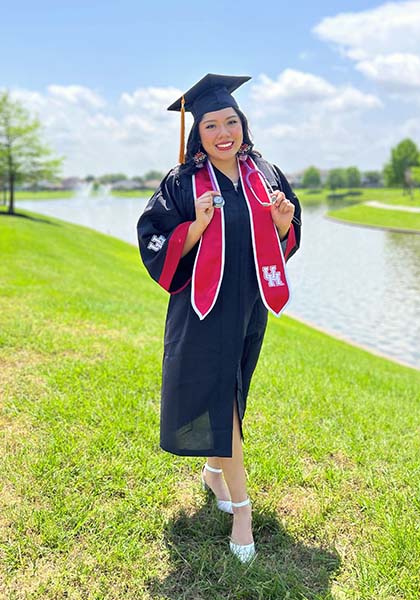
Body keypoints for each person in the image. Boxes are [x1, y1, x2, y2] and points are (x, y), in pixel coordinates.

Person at [137, 73, 302, 563]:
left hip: (250, 303)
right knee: (220, 395)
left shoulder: (265, 172)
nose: (223, 132)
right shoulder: (183, 181)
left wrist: (284, 223)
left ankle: (214, 473)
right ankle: (243, 512)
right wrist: (196, 226)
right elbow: (153, 238)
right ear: (199, 133)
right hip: (201, 308)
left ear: (242, 125)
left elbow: (285, 238)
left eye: (231, 121)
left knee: (234, 388)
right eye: (211, 125)